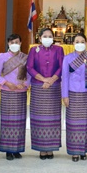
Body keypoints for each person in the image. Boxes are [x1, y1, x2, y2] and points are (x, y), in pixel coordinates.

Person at [27, 27, 64, 160]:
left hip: (54, 87)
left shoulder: (59, 50)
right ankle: (41, 149)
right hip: (39, 87)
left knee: (53, 119)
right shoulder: (33, 50)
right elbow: (29, 67)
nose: (47, 38)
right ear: (40, 37)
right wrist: (44, 79)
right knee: (39, 119)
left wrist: (51, 80)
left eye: (50, 36)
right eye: (45, 36)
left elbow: (62, 66)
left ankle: (51, 148)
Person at [0, 33, 30, 160]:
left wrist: (25, 84)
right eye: (11, 42)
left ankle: (17, 149)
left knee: (19, 121)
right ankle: (8, 150)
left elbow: (29, 74)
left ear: (20, 43)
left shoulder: (25, 57)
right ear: (8, 44)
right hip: (8, 92)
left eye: (17, 42)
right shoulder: (2, 57)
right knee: (8, 121)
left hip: (21, 93)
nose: (14, 45)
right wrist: (7, 83)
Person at [61, 33, 87, 162]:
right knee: (73, 124)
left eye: (82, 41)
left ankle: (83, 150)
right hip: (73, 93)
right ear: (73, 44)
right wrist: (65, 95)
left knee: (86, 124)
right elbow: (65, 77)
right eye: (77, 41)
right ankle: (74, 151)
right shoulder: (67, 58)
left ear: (86, 43)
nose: (79, 43)